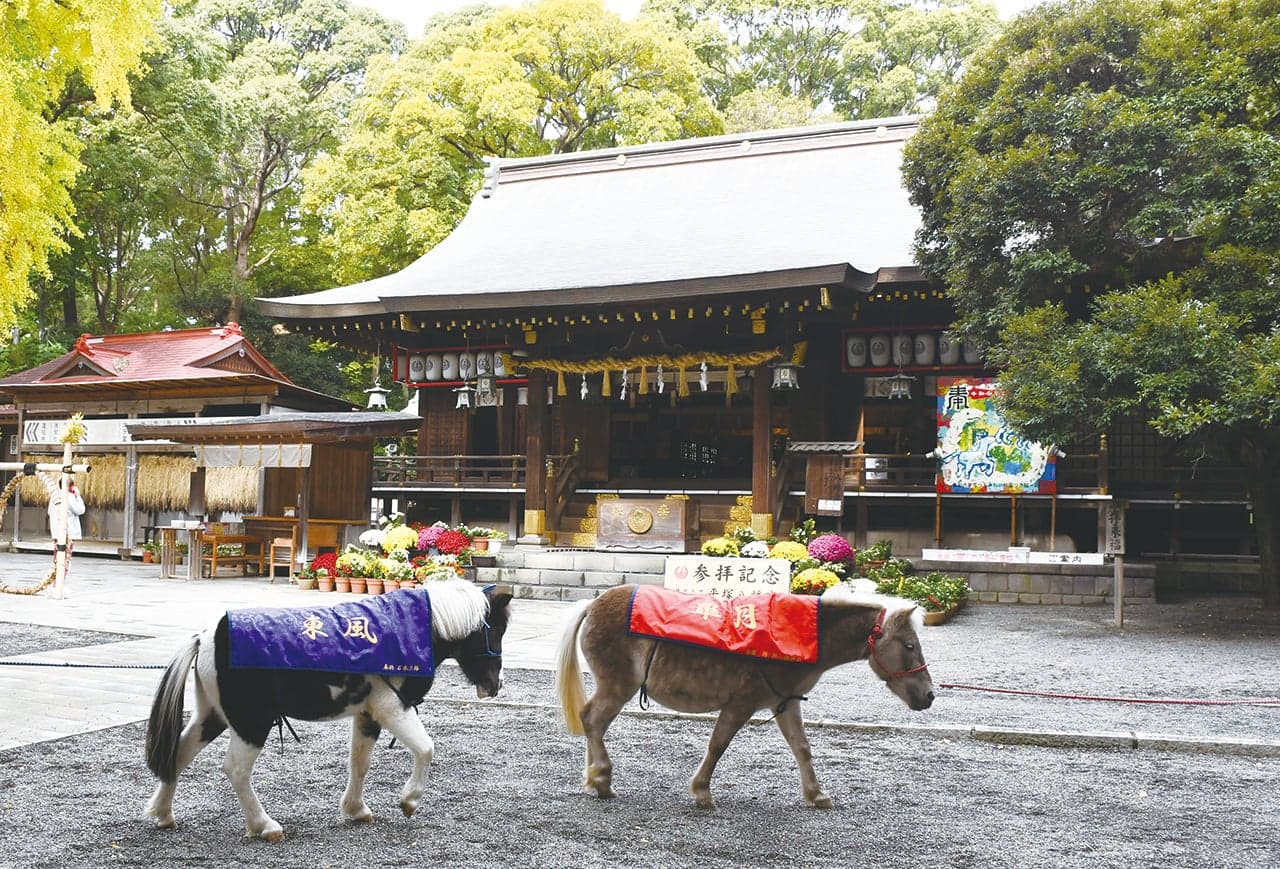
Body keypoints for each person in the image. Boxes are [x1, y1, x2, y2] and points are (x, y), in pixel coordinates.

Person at [44, 475, 86, 546]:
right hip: (67, 531)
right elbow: (80, 510)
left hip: (56, 531)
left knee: (57, 551)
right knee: (66, 553)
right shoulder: (69, 496)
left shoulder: (54, 495)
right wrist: (77, 496)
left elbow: (49, 511)